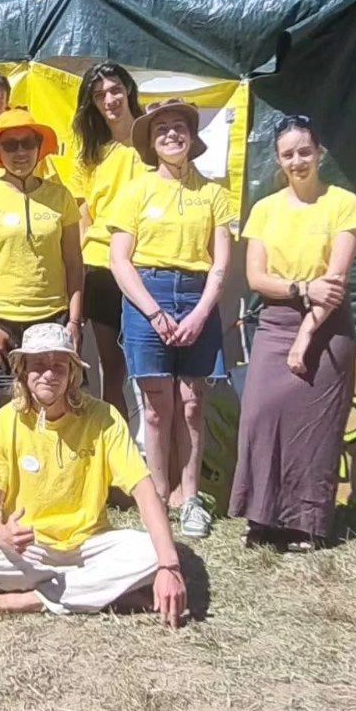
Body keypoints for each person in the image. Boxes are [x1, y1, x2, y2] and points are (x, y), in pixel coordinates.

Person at [0, 324, 186, 625]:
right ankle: (92, 588)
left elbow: (143, 489)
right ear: (22, 371)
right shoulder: (4, 422)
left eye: (59, 365)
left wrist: (169, 567)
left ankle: (33, 599)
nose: (49, 374)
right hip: (30, 550)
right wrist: (1, 534)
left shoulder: (103, 418)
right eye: (39, 365)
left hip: (89, 546)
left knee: (155, 552)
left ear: (73, 373)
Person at [232, 115, 356, 553]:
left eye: (304, 152)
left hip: (327, 329)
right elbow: (257, 277)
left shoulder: (343, 204)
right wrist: (298, 289)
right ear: (278, 159)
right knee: (259, 417)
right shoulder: (266, 209)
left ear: (320, 153)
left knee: (314, 428)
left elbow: (335, 284)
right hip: (275, 323)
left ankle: (306, 524)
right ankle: (262, 518)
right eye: (288, 154)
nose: (297, 161)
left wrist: (306, 337)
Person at [108, 100, 234, 540]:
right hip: (149, 295)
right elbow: (120, 261)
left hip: (197, 296)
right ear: (151, 142)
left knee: (193, 402)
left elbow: (220, 264)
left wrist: (200, 312)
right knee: (157, 408)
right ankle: (158, 497)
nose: (171, 135)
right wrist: (154, 312)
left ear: (192, 137)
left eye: (179, 127)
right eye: (161, 129)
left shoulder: (215, 194)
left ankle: (191, 497)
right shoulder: (135, 192)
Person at [0, 108, 83, 437]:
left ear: (40, 147)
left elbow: (74, 262)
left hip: (51, 320)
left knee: (52, 405)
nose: (20, 152)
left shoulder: (61, 196)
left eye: (27, 143)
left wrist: (73, 321)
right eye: (10, 146)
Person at [70, 62, 146, 416]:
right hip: (101, 268)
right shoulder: (90, 153)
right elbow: (83, 217)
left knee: (150, 368)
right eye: (100, 95)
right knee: (112, 368)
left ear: (128, 90)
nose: (110, 99)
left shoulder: (154, 140)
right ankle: (118, 449)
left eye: (115, 90)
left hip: (148, 265)